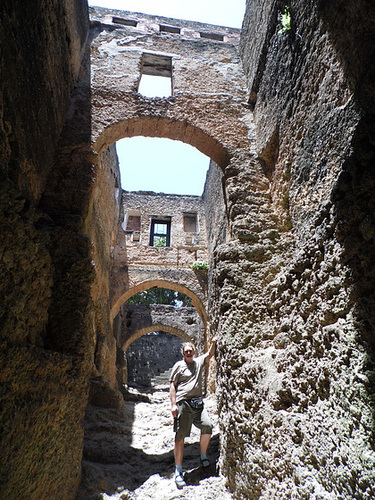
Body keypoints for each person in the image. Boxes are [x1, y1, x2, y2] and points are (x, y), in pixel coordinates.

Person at [169, 338, 217, 489]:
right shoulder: (178, 366)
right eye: (186, 351)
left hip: (198, 404)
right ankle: (178, 470)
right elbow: (172, 385)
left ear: (194, 352)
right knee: (180, 436)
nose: (189, 352)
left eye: (191, 350)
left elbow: (210, 354)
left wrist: (214, 342)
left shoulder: (199, 361)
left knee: (208, 426)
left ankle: (203, 456)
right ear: (183, 353)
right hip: (183, 404)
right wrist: (173, 405)